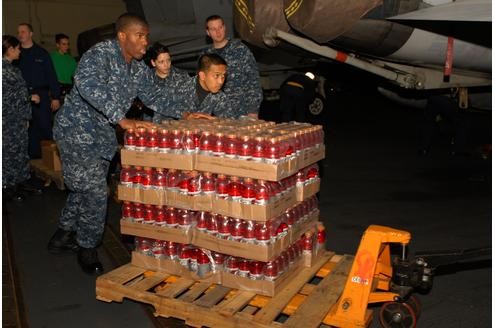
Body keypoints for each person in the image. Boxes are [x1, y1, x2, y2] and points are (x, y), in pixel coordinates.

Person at [46, 13, 183, 275]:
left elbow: (155, 96)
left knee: (84, 187)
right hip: (75, 130)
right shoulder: (101, 54)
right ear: (123, 36)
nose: (145, 42)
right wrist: (121, 119)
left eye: (147, 36)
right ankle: (87, 246)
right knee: (96, 191)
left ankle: (62, 234)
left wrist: (185, 113)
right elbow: (85, 83)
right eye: (139, 36)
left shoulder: (138, 68)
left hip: (101, 136)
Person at [2, 35, 41, 202]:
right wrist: (29, 98)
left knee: (19, 152)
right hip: (8, 121)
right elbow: (6, 98)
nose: (19, 52)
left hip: (17, 119)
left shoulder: (12, 69)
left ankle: (18, 183)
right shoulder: (4, 71)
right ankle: (7, 187)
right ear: (10, 49)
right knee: (9, 154)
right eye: (17, 48)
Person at [16, 23, 61, 159]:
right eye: (18, 32)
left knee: (44, 126)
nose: (20, 34)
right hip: (22, 96)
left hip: (41, 96)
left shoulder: (41, 53)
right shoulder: (16, 54)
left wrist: (55, 97)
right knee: (26, 130)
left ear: (31, 34)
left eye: (23, 32)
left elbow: (51, 76)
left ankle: (50, 160)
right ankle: (31, 161)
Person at [203, 15, 262, 118]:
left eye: (220, 27)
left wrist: (253, 110)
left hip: (242, 112)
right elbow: (202, 86)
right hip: (217, 115)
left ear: (224, 27)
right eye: (213, 29)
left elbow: (253, 79)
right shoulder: (205, 56)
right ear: (208, 32)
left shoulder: (240, 49)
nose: (218, 32)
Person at [141, 42, 190, 123]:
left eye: (168, 60)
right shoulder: (147, 78)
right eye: (161, 62)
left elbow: (190, 103)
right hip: (153, 125)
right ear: (153, 63)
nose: (166, 65)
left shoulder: (182, 76)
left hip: (178, 125)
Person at [418, 90, 468, 156]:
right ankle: (457, 150)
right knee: (462, 122)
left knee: (429, 121)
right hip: (446, 98)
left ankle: (423, 149)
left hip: (433, 96)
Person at [50, 33, 77, 98]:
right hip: (56, 89)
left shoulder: (71, 59)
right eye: (64, 44)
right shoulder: (51, 58)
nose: (66, 46)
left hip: (69, 89)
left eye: (68, 44)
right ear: (57, 45)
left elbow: (75, 76)